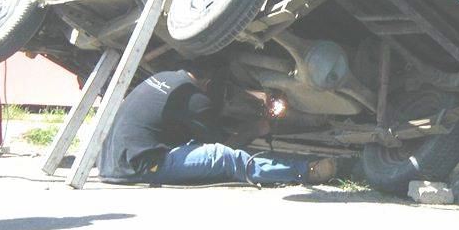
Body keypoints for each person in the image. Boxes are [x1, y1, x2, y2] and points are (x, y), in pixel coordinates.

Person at [97, 70, 337, 186]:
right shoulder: (194, 98)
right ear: (208, 84)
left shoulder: (167, 77)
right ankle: (304, 171)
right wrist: (253, 130)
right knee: (223, 157)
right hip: (141, 166)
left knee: (197, 148)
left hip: (112, 162)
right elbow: (221, 146)